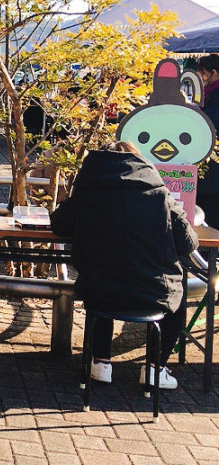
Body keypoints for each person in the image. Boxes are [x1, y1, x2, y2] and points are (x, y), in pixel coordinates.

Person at [51, 141, 198, 390]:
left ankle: (101, 364)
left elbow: (59, 225)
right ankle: (155, 368)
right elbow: (188, 244)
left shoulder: (88, 192)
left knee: (104, 288)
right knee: (177, 292)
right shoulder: (159, 194)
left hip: (100, 290)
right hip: (153, 291)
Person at [196, 54, 219, 226]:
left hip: (213, 168)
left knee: (210, 213)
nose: (200, 77)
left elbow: (211, 121)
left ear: (213, 73)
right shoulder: (211, 95)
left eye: (202, 73)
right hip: (210, 168)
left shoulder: (215, 95)